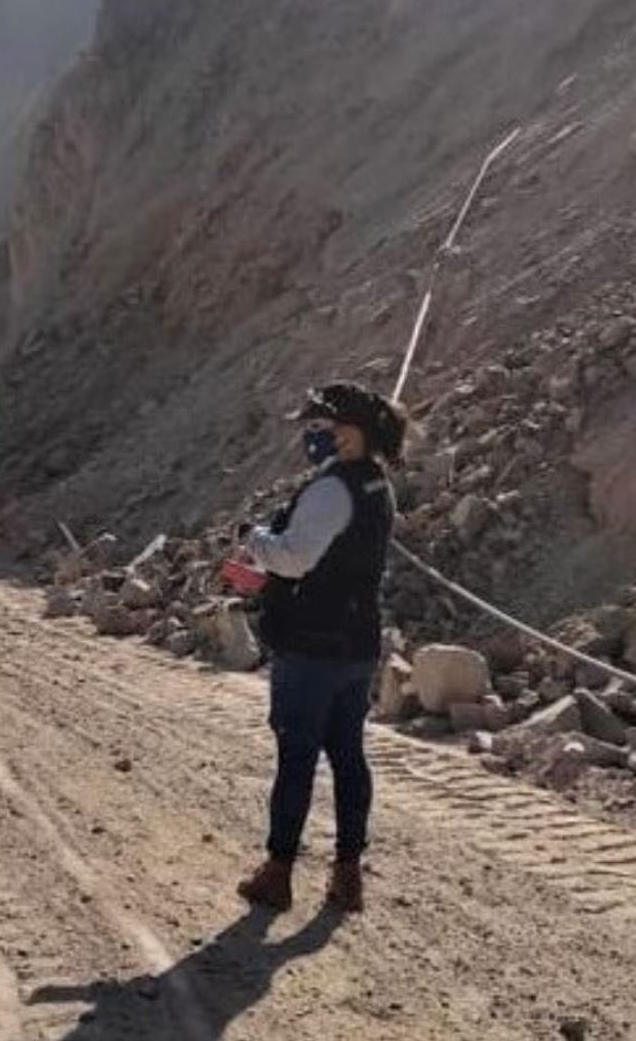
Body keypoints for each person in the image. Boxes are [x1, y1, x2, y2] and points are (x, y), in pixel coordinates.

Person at [236, 381, 406, 915]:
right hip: (357, 642)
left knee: (297, 756)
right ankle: (347, 875)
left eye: (322, 427)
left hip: (312, 642)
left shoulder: (332, 490)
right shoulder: (378, 484)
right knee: (349, 757)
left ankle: (278, 871)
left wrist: (255, 539)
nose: (313, 435)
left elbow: (293, 559)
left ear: (349, 432)